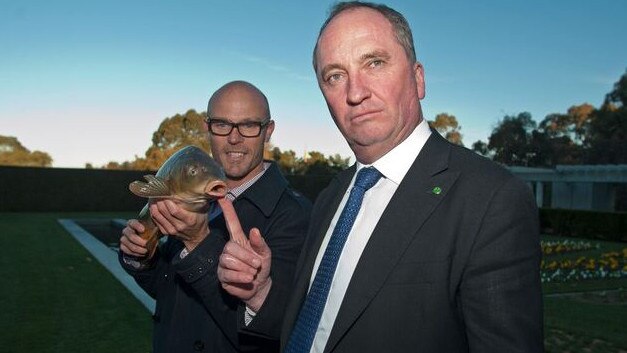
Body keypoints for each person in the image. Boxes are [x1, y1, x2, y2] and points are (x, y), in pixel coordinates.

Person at [217, 2, 544, 352]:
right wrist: (262, 293)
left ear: (418, 79)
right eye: (335, 76)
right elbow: (323, 328)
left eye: (374, 63)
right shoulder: (332, 195)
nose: (355, 93)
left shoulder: (490, 200)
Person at [118, 80, 312, 353]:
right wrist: (142, 257)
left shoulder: (296, 215)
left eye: (249, 125)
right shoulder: (194, 197)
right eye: (222, 124)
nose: (234, 138)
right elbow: (169, 293)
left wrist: (198, 242)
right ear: (207, 127)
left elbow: (277, 325)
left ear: (268, 131)